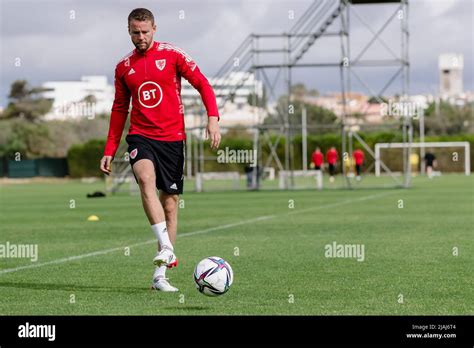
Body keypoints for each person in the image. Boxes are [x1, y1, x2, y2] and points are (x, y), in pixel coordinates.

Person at [100, 8, 221, 292]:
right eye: (134, 32)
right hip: (141, 137)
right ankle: (166, 246)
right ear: (128, 31)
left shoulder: (173, 55)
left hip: (172, 139)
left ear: (154, 28)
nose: (140, 37)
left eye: (144, 32)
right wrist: (110, 147)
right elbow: (119, 109)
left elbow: (203, 84)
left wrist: (212, 118)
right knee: (145, 179)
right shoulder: (123, 67)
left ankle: (159, 277)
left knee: (170, 205)